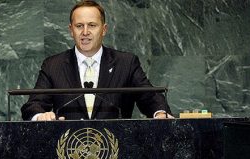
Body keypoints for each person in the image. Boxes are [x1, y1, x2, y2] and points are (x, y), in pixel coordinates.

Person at [21, 0, 173, 121]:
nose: (85, 32)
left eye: (92, 25)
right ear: (71, 30)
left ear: (104, 29)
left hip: (116, 151)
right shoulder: (53, 65)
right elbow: (34, 105)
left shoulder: (126, 63)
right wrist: (41, 116)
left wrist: (160, 113)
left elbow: (151, 97)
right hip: (68, 151)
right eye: (79, 26)